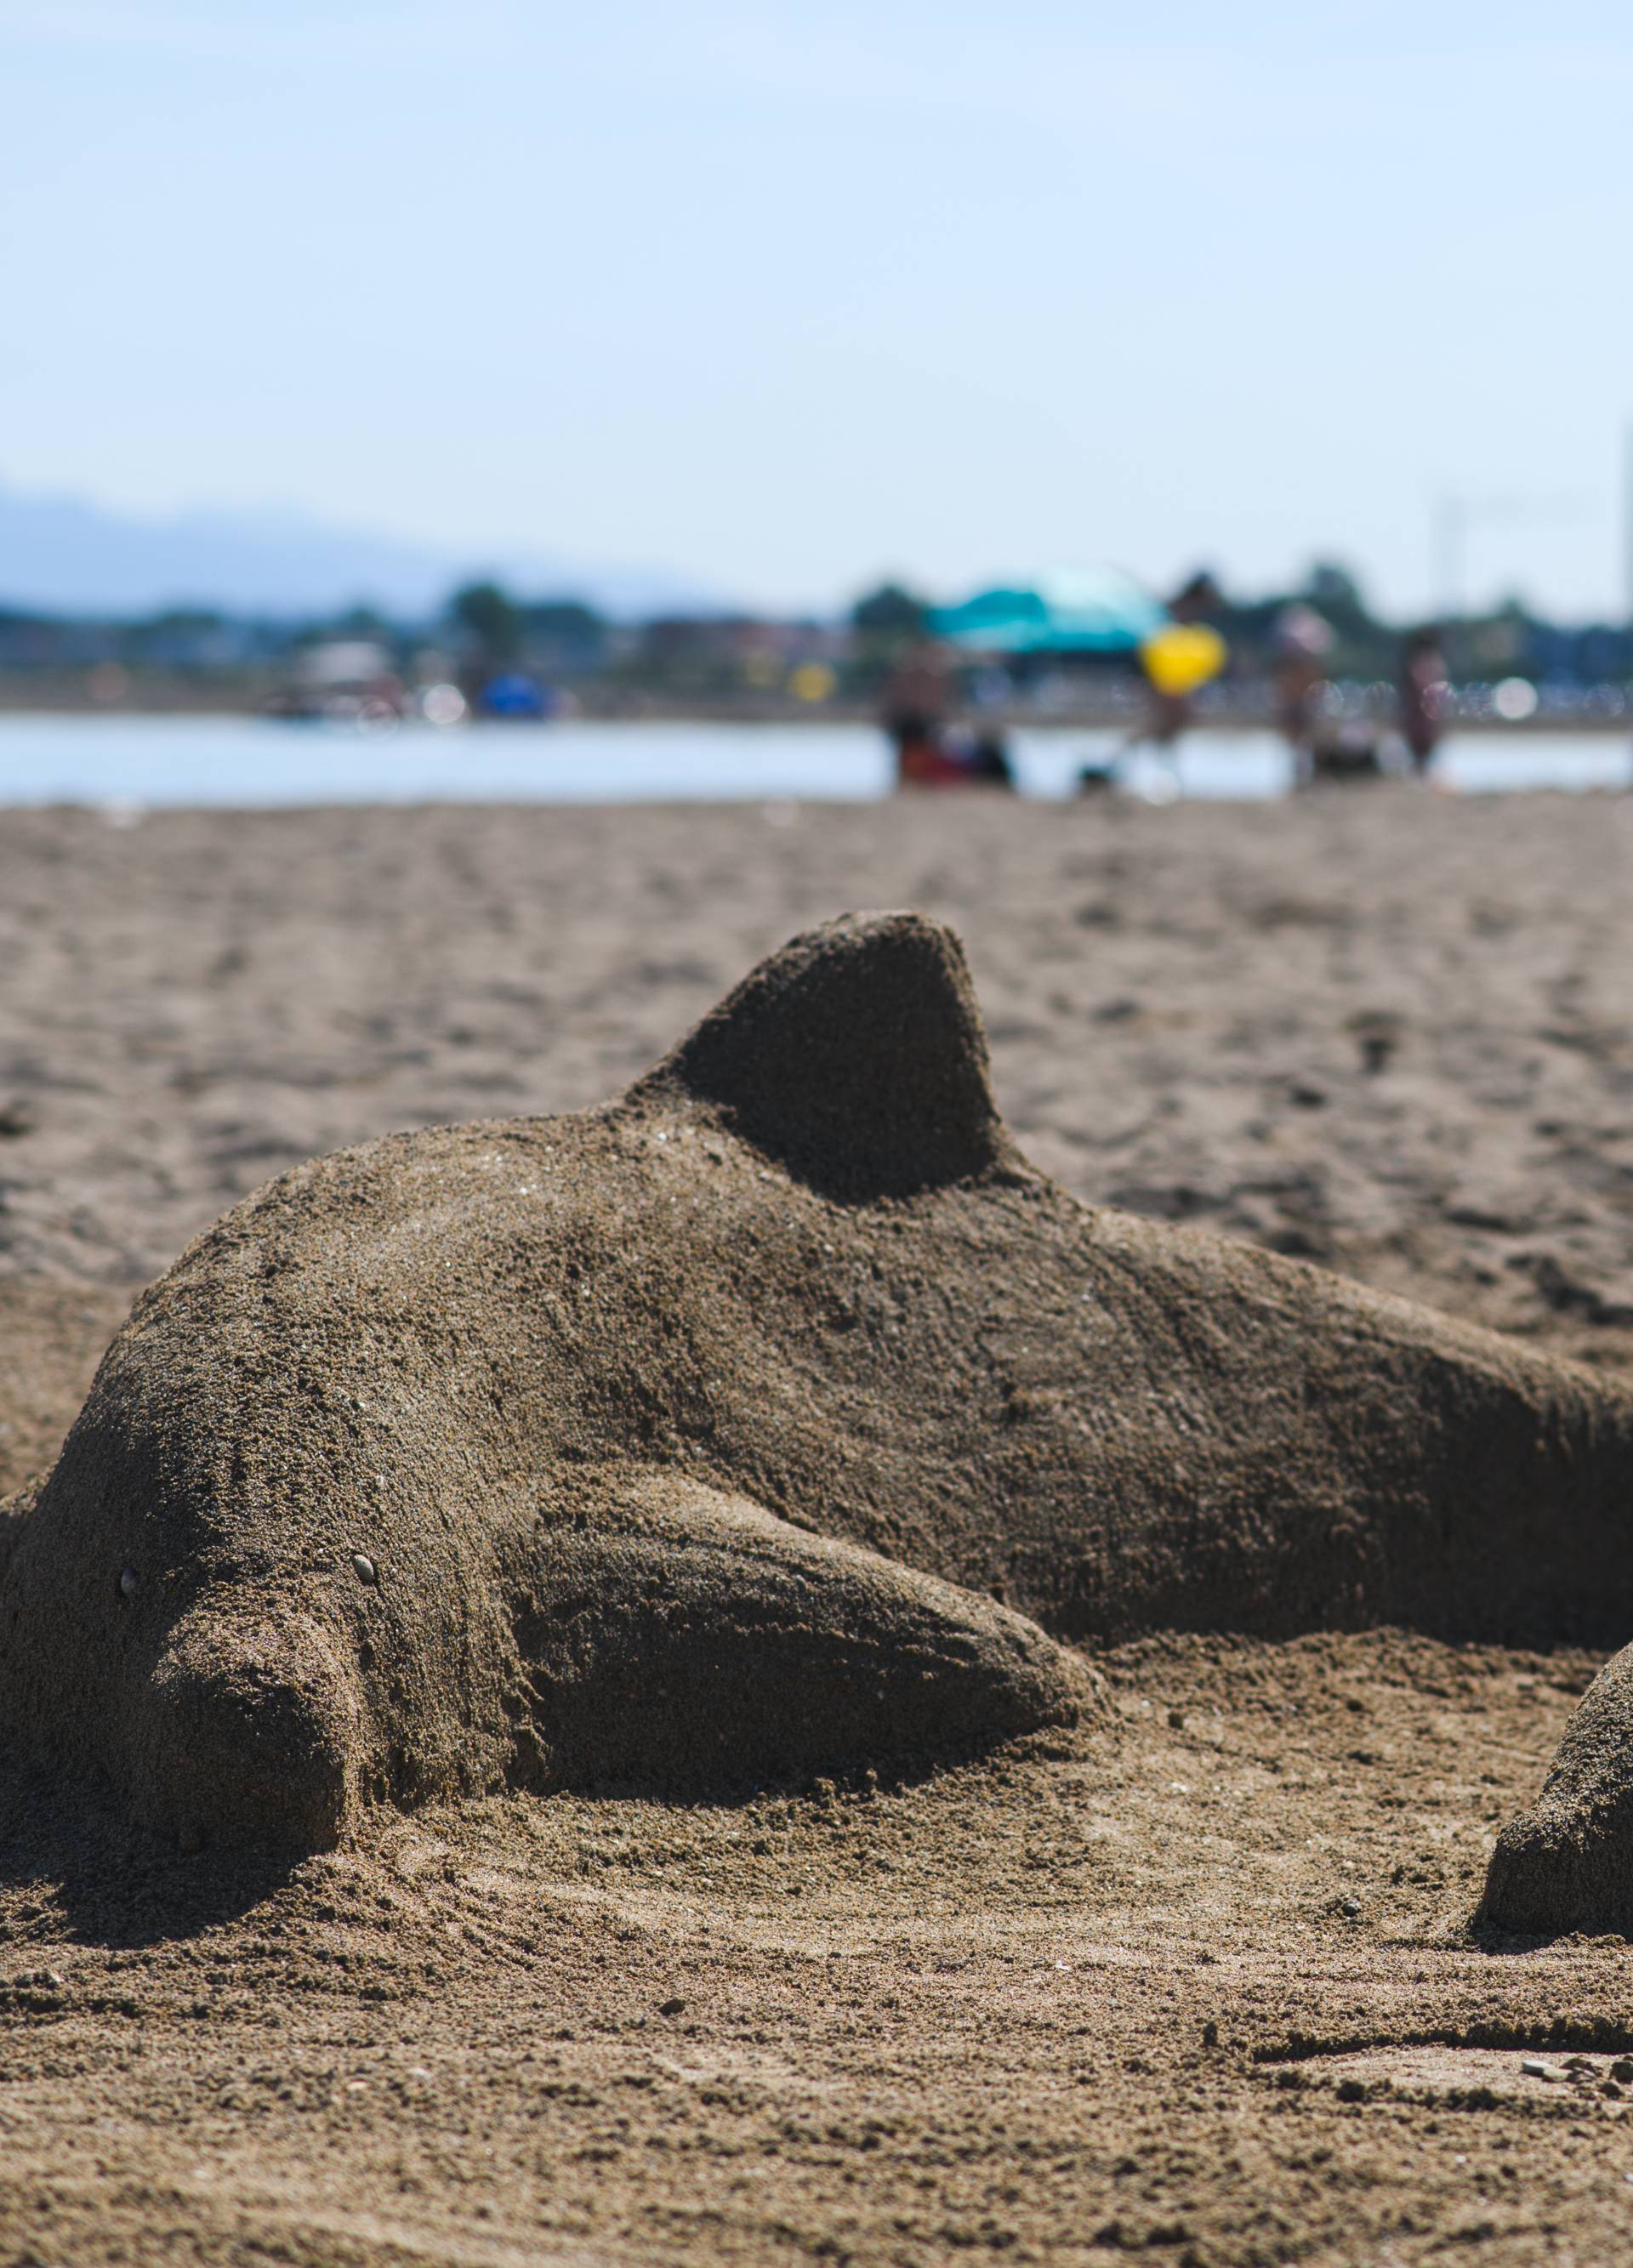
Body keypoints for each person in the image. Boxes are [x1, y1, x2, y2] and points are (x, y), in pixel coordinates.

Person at [1398, 626, 1448, 774]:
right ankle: (1421, 773)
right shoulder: (1428, 661)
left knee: (1422, 754)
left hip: (1420, 716)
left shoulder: (1414, 662)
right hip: (1422, 716)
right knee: (1421, 752)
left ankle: (1421, 773)